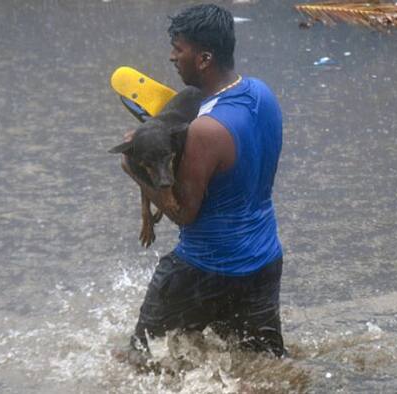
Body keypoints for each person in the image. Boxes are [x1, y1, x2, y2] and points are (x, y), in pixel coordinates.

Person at [119, 4, 285, 359]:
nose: (172, 57)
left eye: (180, 50)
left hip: (204, 267)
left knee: (138, 358)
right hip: (264, 262)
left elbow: (184, 213)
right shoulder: (262, 94)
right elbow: (237, 169)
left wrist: (134, 170)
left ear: (204, 57)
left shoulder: (205, 130)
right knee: (264, 366)